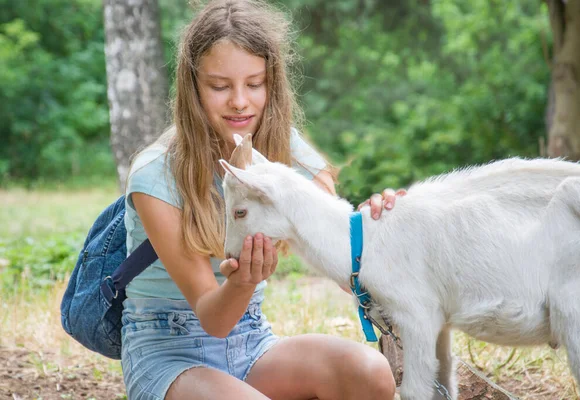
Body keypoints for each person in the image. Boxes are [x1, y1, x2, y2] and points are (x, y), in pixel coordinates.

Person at [122, 0, 401, 399]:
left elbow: (347, 260)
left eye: (254, 84)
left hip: (252, 343)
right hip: (170, 355)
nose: (240, 101)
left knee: (370, 372)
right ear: (192, 85)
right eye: (219, 86)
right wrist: (244, 282)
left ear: (273, 82)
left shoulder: (284, 150)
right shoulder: (154, 175)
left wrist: (390, 227)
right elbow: (212, 318)